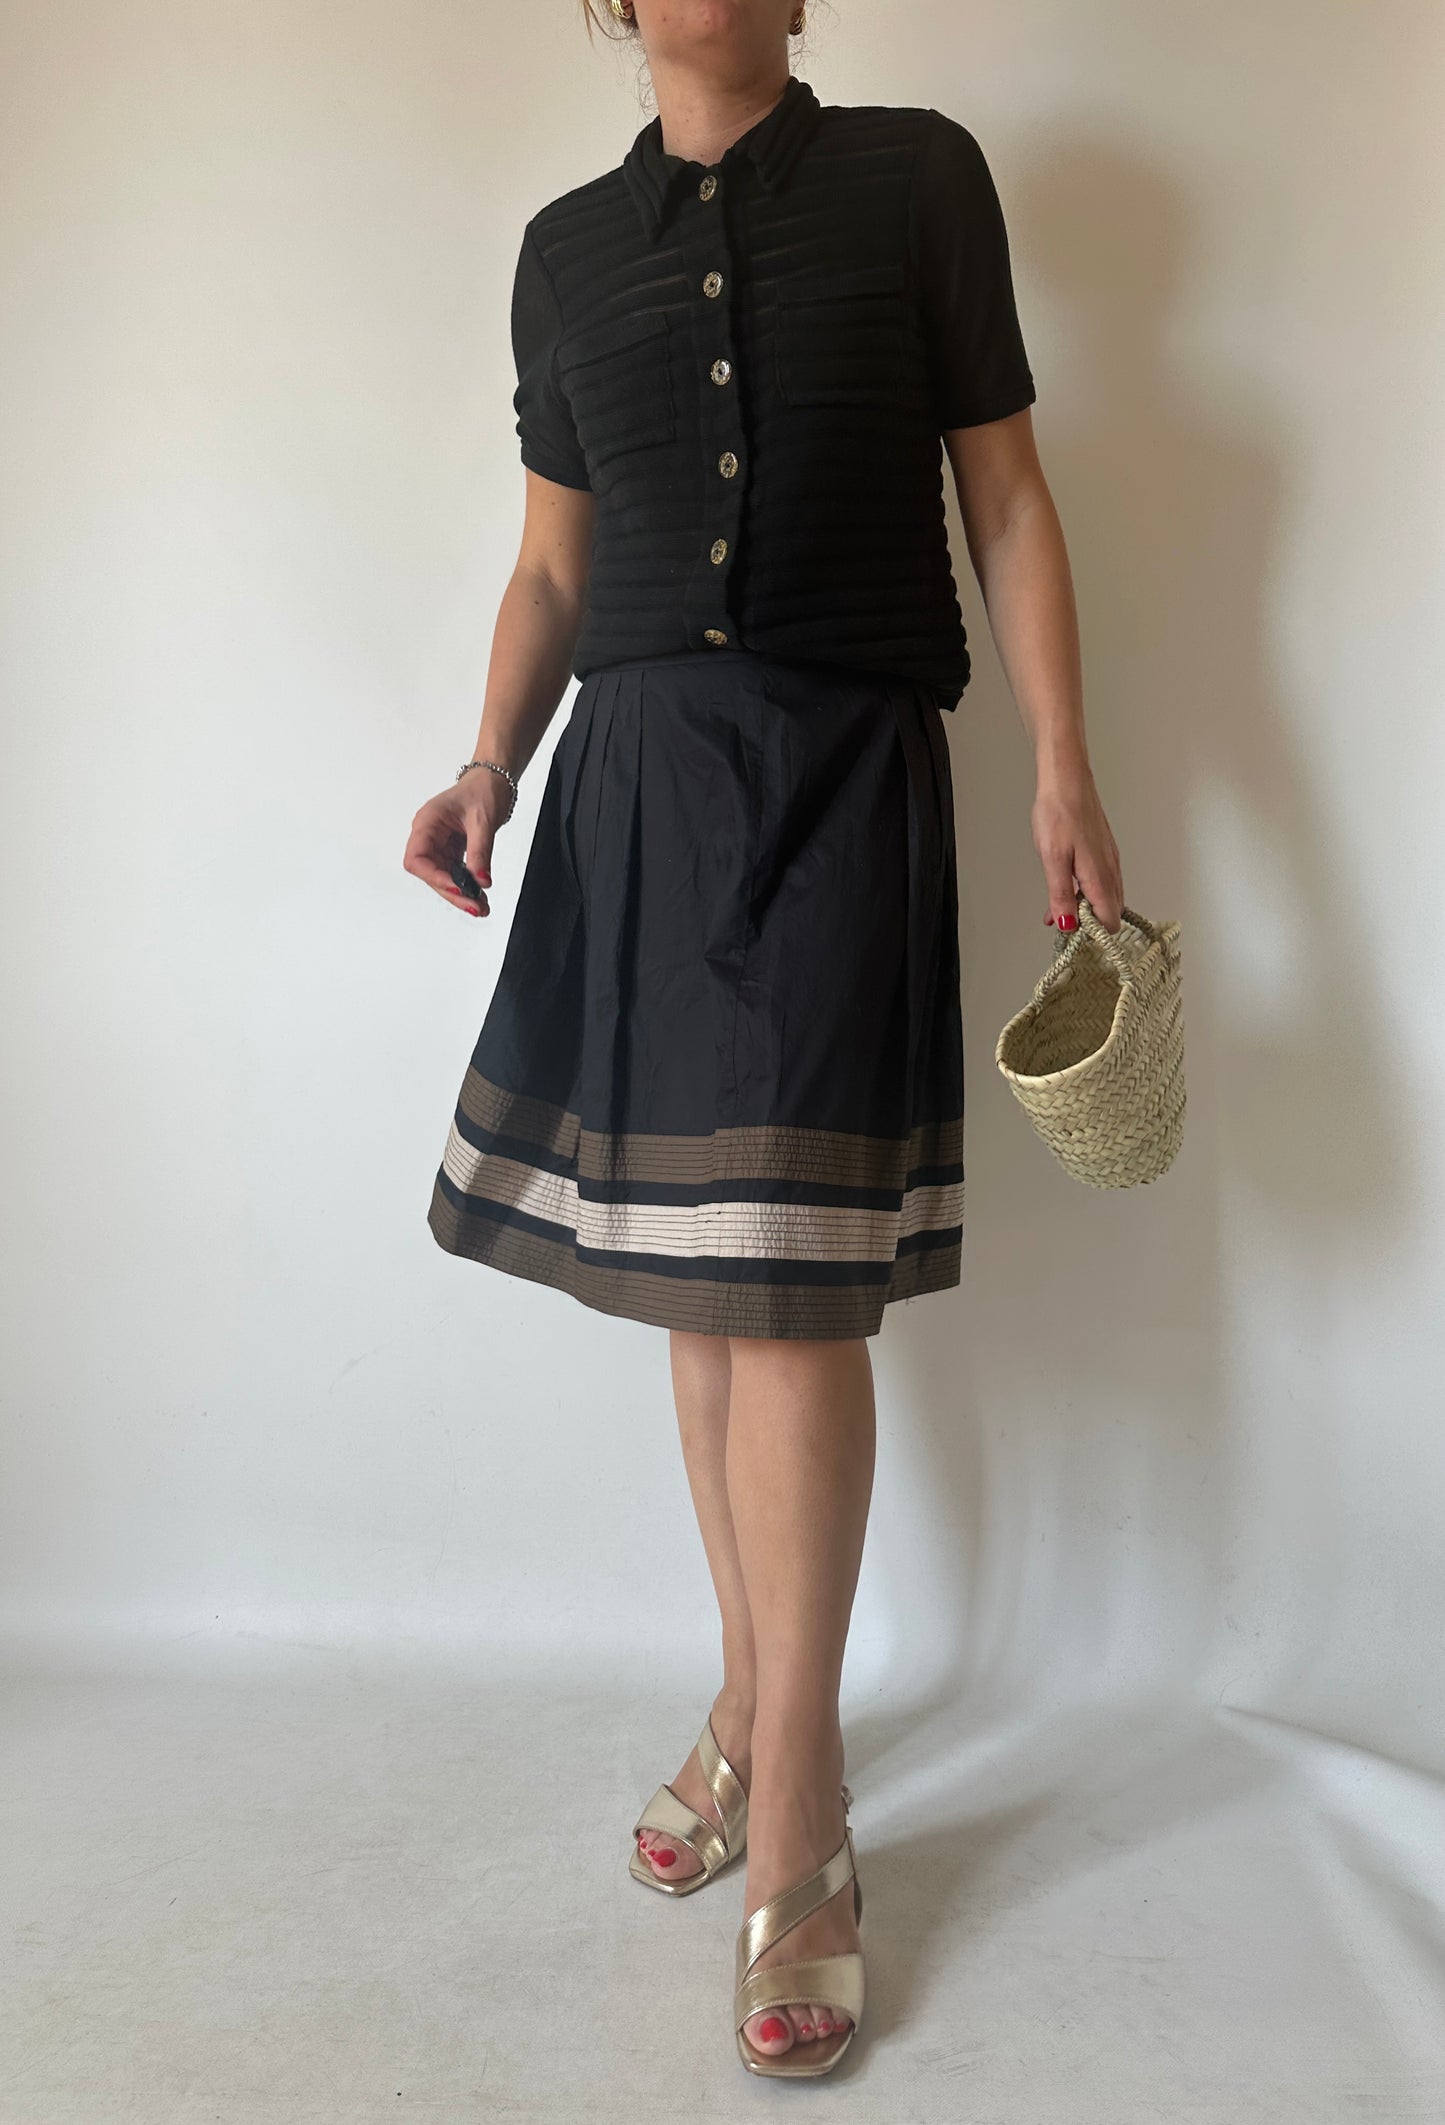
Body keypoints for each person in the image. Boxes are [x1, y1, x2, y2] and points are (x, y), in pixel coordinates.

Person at [404, 0, 1124, 2082]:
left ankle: (795, 1803)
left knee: (792, 1291)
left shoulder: (917, 179)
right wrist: (487, 763)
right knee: (701, 1295)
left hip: (835, 774)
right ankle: (748, 1699)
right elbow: (553, 563)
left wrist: (1064, 763)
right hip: (635, 790)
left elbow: (1006, 497)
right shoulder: (563, 250)